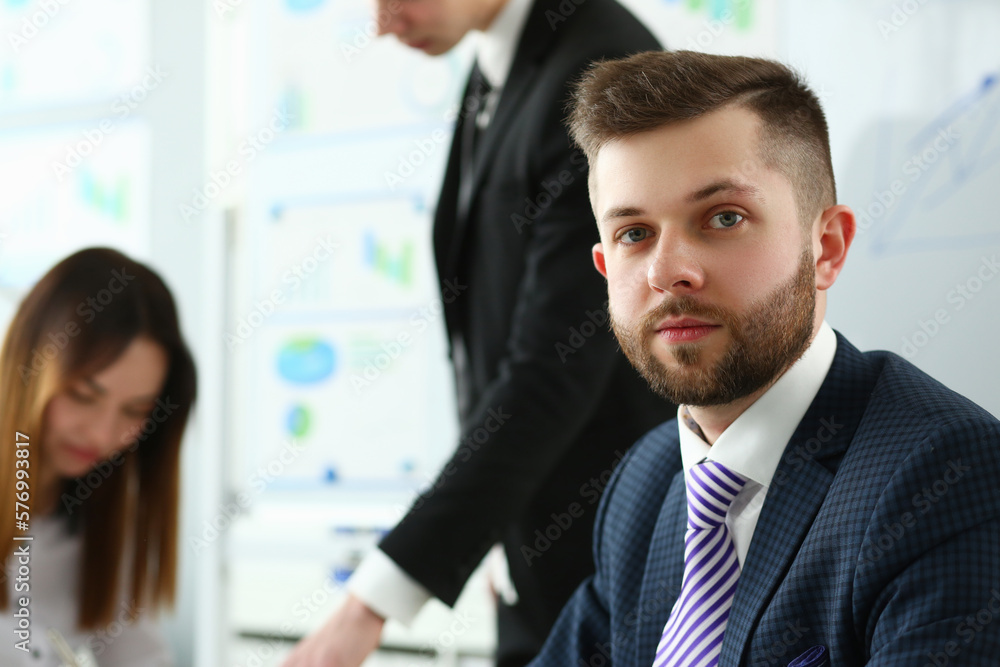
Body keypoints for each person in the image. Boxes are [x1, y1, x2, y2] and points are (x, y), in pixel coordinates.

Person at [520, 50, 1000, 666]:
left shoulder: (946, 475)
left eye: (724, 218)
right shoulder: (643, 482)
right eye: (634, 234)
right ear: (605, 267)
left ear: (826, 248)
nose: (668, 272)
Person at [283, 1, 673, 666]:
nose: (382, 22)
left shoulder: (597, 66)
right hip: (537, 554)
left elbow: (553, 368)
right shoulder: (502, 56)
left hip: (608, 566)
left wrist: (369, 603)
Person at [0, 247, 198, 666]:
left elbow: (140, 657)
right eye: (82, 395)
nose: (102, 434)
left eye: (136, 411)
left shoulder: (103, 516)